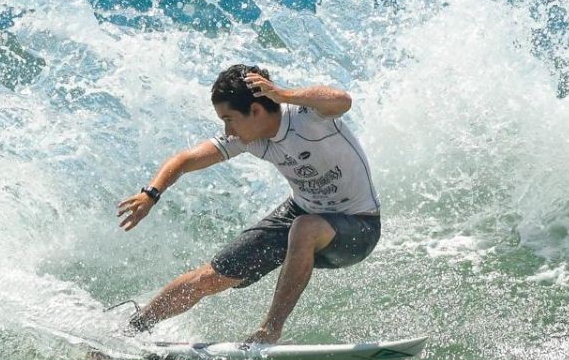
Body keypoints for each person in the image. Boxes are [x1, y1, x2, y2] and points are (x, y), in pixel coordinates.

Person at [116, 64, 381, 343]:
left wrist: (284, 94)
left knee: (305, 227)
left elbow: (343, 100)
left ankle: (270, 330)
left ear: (255, 110)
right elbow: (186, 160)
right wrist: (151, 194)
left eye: (229, 118)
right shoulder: (246, 139)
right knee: (207, 278)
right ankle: (132, 329)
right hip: (302, 214)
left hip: (358, 226)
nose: (227, 129)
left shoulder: (307, 117)